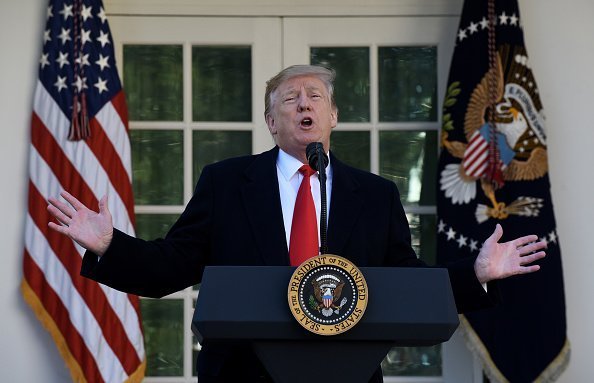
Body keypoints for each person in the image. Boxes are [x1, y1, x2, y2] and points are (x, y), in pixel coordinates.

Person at [47, 65, 546, 382]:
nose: (303, 103)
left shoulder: (374, 195)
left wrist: (473, 274)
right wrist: (110, 244)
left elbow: (405, 282)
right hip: (242, 374)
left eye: (313, 97)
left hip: (347, 371)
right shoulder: (226, 183)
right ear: (271, 121)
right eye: (289, 98)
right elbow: (171, 265)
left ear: (332, 116)